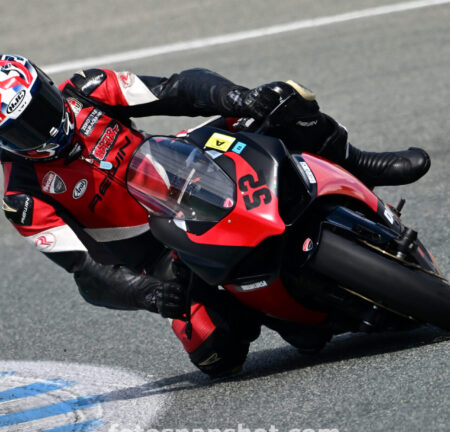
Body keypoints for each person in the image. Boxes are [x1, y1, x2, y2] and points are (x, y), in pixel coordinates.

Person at [0, 54, 430, 377]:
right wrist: (147, 295)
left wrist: (240, 98)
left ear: (46, 84)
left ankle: (359, 164)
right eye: (23, 129)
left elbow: (177, 89)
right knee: (216, 355)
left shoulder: (86, 89)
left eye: (40, 107)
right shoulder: (22, 196)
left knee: (281, 100)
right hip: (161, 252)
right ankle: (276, 309)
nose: (43, 127)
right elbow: (86, 273)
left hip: (186, 166)